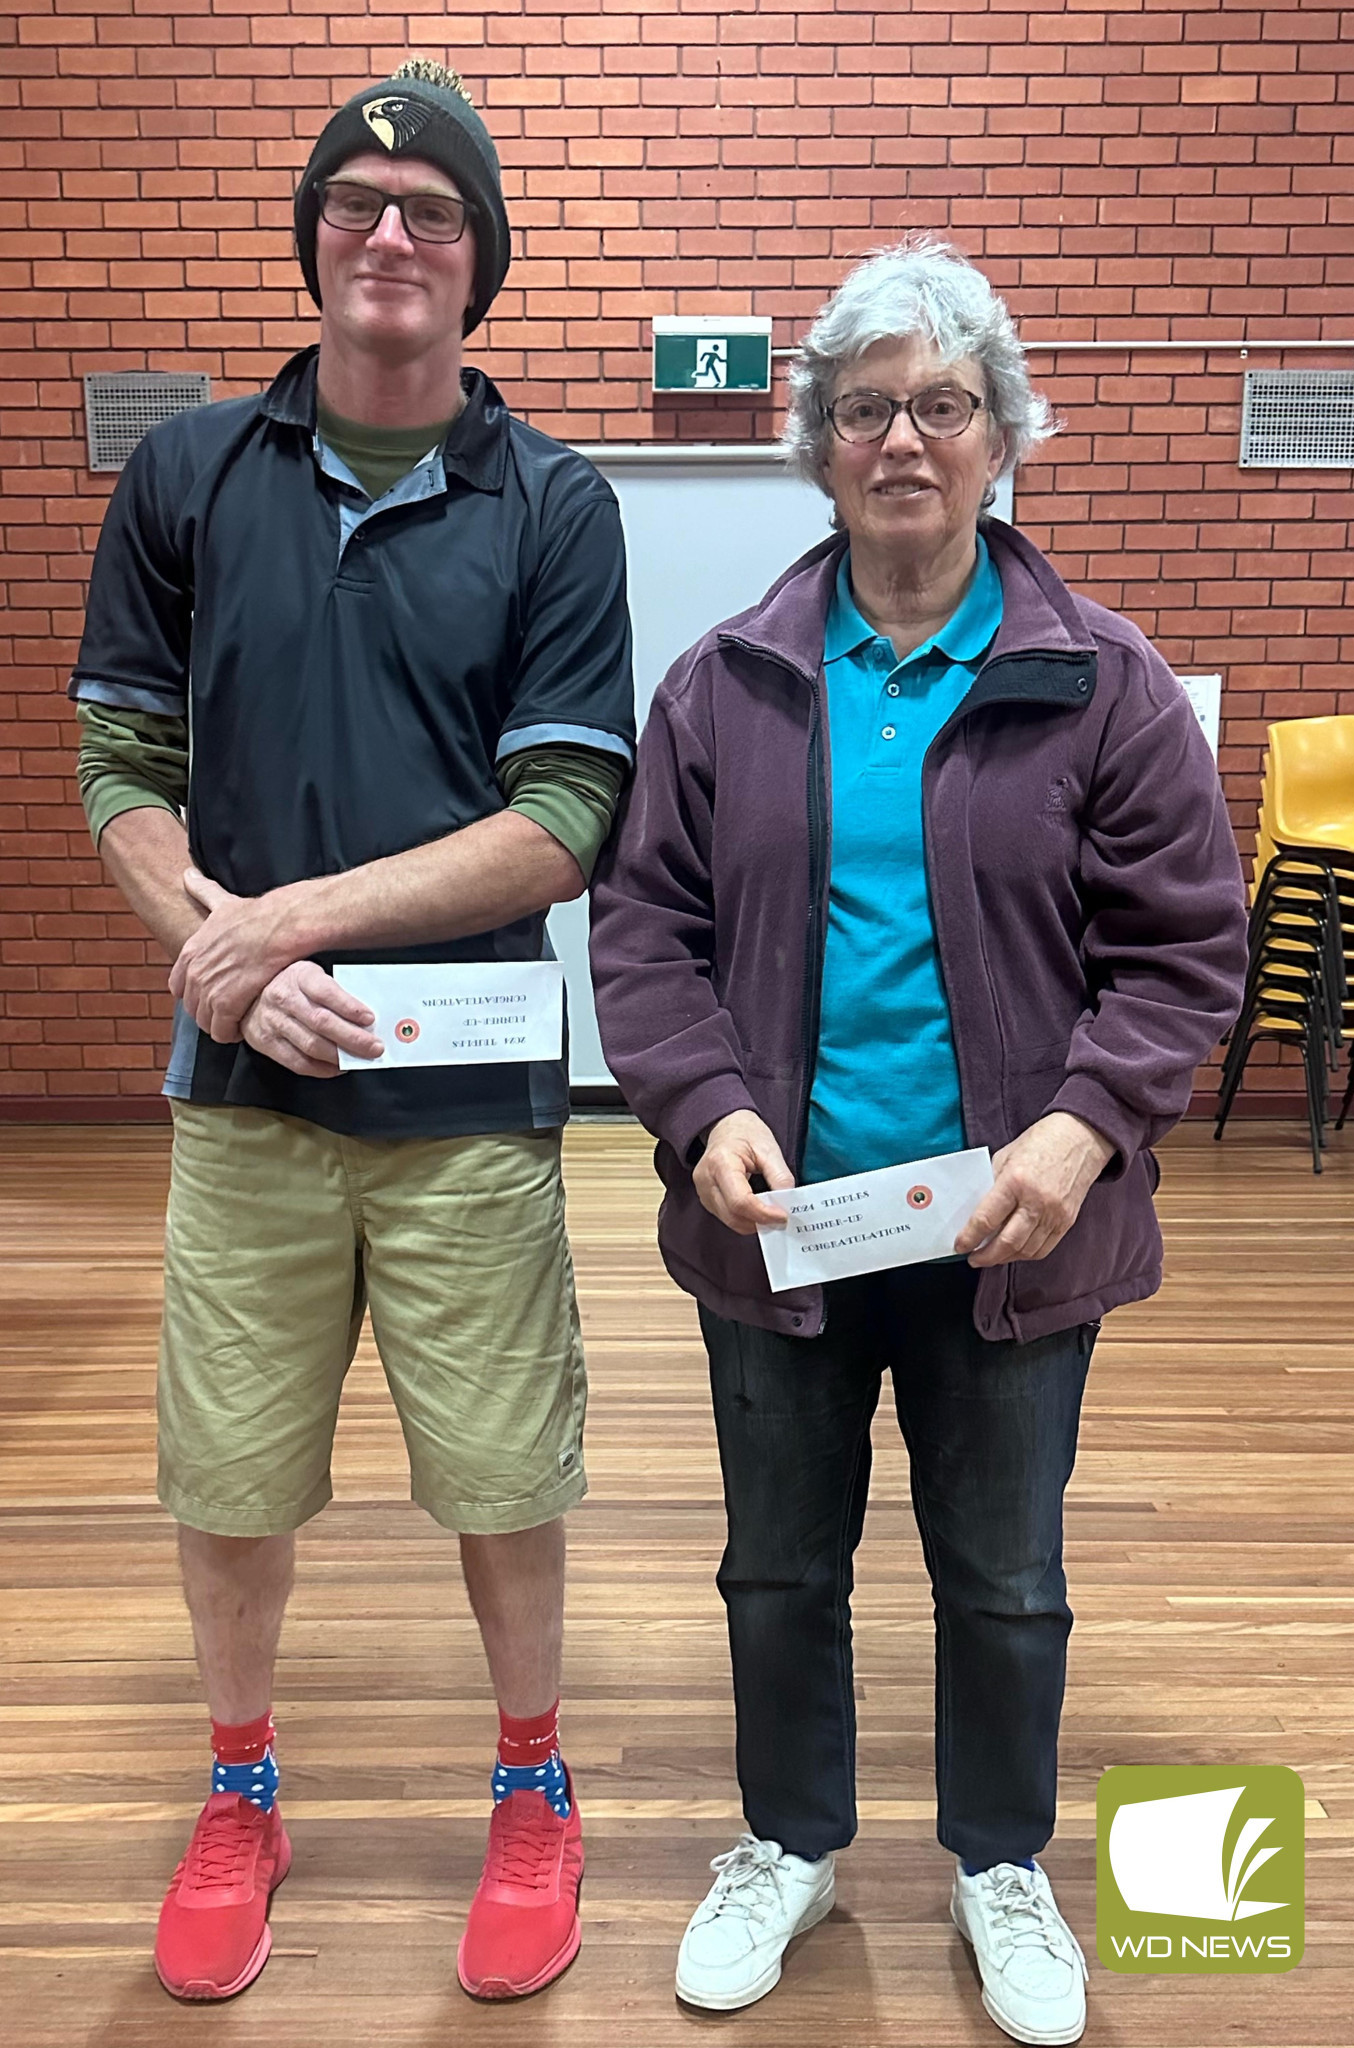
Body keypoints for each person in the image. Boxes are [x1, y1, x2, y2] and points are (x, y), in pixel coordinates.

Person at [590, 240, 1248, 2044]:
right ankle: (787, 1843)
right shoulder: (725, 683)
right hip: (781, 1223)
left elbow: (1188, 948)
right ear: (816, 445)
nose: (903, 438)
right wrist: (703, 1108)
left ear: (998, 439)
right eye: (867, 406)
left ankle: (997, 1864)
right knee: (777, 1563)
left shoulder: (1097, 679)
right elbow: (645, 930)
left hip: (1007, 1228)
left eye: (941, 406)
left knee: (1003, 1572)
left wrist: (1083, 1130)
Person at [71, 57, 634, 2006]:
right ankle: (241, 1786)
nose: (390, 234)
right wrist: (213, 947)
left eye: (433, 211)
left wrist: (275, 923)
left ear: (479, 266)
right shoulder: (182, 479)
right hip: (241, 1097)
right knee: (224, 1470)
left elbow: (562, 818)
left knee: (502, 1469)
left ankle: (531, 1777)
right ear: (311, 240)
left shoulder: (553, 504)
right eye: (356, 202)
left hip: (464, 1090)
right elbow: (118, 766)